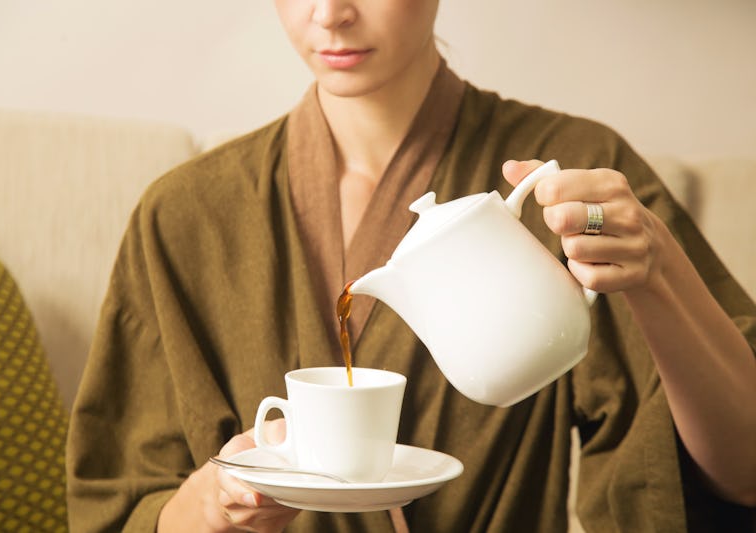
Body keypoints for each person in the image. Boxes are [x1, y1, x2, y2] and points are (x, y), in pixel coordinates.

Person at [66, 1, 756, 531]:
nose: (330, 13)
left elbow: (745, 471)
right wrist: (208, 504)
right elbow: (118, 505)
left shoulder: (567, 173)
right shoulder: (185, 215)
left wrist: (660, 271)